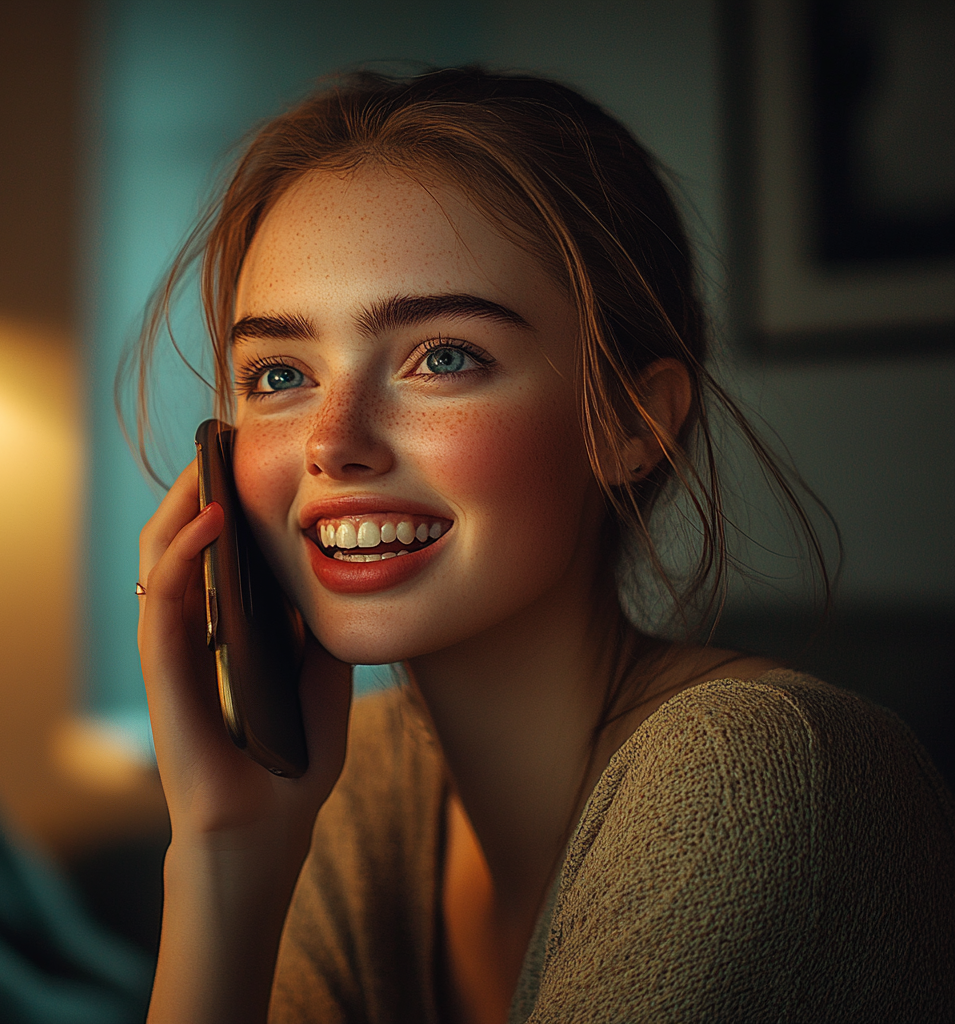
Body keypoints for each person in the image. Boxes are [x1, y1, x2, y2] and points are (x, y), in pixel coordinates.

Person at [126, 68, 955, 1023]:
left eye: (443, 357)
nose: (331, 441)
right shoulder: (368, 778)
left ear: (632, 420)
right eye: (278, 374)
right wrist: (226, 858)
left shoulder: (748, 775)